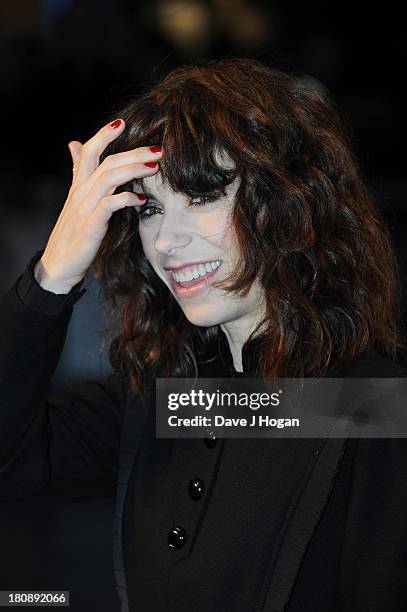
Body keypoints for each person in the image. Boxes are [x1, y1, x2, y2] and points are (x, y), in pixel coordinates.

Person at [1, 57, 407, 612]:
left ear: (284, 202)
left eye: (201, 197)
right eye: (149, 209)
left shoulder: (373, 406)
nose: (166, 241)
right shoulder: (168, 402)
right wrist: (53, 275)